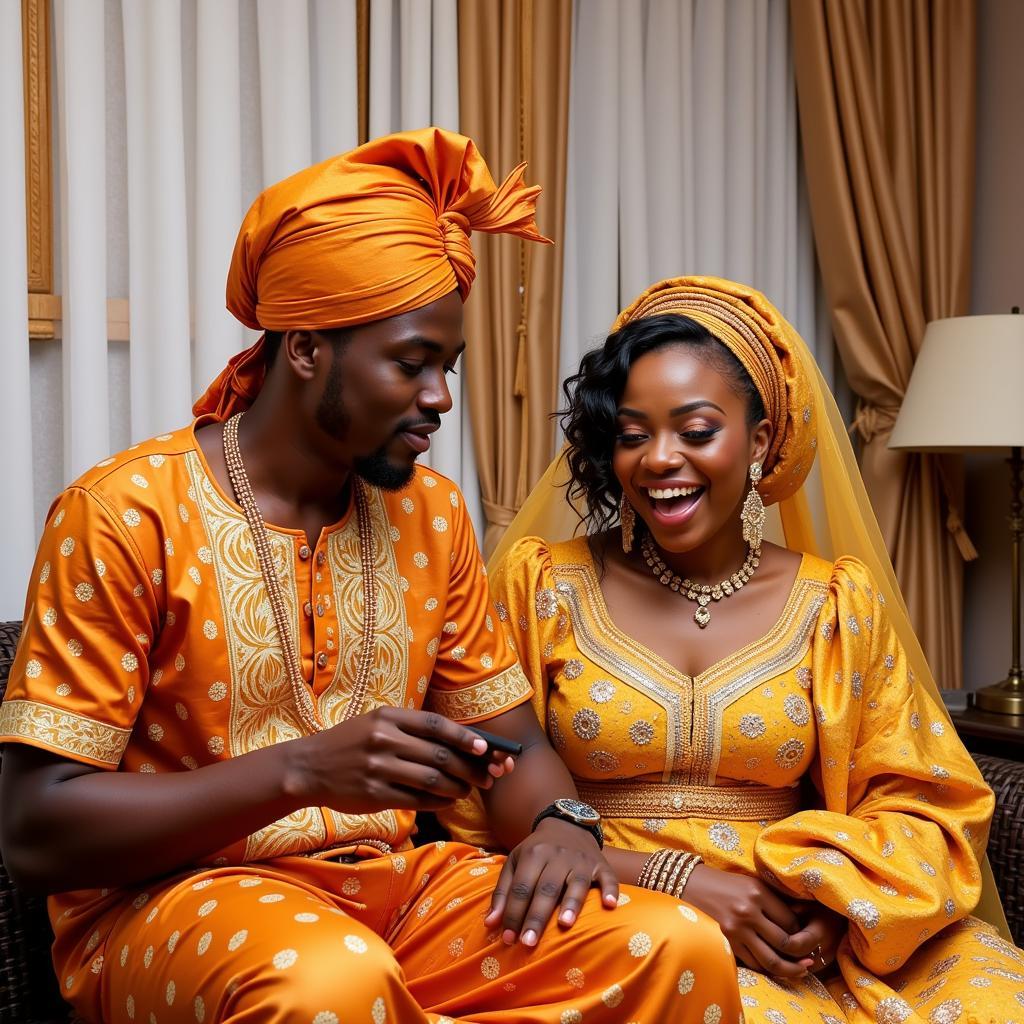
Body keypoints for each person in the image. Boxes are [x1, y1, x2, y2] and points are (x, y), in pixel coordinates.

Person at [0, 140, 741, 1024]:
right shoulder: (125, 513)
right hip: (169, 904)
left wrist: (560, 827)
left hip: (399, 895)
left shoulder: (431, 514)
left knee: (676, 948)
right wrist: (300, 770)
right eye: (411, 362)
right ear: (308, 349)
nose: (440, 397)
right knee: (331, 983)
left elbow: (515, 751)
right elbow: (36, 829)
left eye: (448, 367)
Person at [442, 276, 1024, 1022]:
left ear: (758, 441)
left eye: (695, 430)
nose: (658, 459)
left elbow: (923, 800)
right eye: (631, 434)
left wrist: (839, 904)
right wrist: (678, 881)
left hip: (797, 917)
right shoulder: (541, 586)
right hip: (605, 902)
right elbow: (475, 793)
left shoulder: (834, 606)